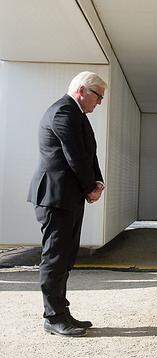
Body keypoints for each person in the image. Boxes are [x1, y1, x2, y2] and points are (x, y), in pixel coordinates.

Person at [27, 71, 107, 336]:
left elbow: (89, 153)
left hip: (68, 198)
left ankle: (62, 312)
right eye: (98, 96)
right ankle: (53, 316)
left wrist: (97, 182)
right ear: (83, 90)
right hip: (55, 198)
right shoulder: (63, 112)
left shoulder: (78, 115)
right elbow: (74, 156)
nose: (100, 103)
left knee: (66, 257)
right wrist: (89, 187)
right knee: (55, 257)